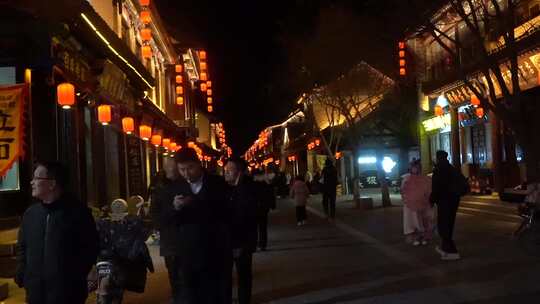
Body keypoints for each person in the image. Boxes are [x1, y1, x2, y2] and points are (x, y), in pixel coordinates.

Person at [15, 161, 99, 304]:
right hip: (35, 292)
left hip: (68, 293)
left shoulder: (78, 213)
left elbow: (90, 249)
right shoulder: (31, 214)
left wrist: (75, 277)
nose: (32, 182)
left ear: (52, 184)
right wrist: (23, 274)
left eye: (37, 178)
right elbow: (23, 247)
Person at [171, 148, 232, 304]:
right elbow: (167, 219)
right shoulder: (175, 187)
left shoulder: (217, 183)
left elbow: (226, 213)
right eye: (182, 169)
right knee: (191, 294)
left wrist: (195, 203)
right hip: (188, 251)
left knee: (217, 293)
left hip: (216, 249)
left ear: (199, 164)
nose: (186, 173)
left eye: (190, 168)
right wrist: (176, 208)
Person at [96, 199, 154, 304]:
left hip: (110, 262)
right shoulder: (133, 223)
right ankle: (103, 293)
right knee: (113, 289)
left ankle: (103, 293)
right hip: (116, 263)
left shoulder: (103, 223)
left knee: (110, 287)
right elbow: (145, 233)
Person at [224, 158, 258, 304]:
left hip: (243, 241)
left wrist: (239, 244)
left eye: (229, 170)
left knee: (243, 275)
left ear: (239, 172)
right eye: (225, 170)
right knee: (225, 276)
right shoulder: (226, 188)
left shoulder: (247, 190)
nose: (225, 173)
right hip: (227, 241)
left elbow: (245, 218)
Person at [430, 150, 468, 261]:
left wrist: (432, 200)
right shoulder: (452, 168)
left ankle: (450, 251)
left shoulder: (438, 170)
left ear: (437, 158)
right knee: (449, 224)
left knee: (443, 226)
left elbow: (436, 188)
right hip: (454, 201)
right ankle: (446, 248)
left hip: (444, 201)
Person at [401, 160, 433, 246]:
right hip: (410, 205)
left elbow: (429, 191)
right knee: (413, 221)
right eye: (413, 167)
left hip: (423, 203)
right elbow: (403, 191)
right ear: (410, 168)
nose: (415, 169)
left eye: (417, 167)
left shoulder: (425, 179)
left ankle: (424, 236)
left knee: (423, 220)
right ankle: (416, 237)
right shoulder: (406, 179)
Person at [252, 170, 276, 251]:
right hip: (263, 208)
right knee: (262, 227)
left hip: (255, 208)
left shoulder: (252, 184)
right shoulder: (266, 184)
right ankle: (262, 244)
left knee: (255, 227)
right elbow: (271, 195)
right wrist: (272, 206)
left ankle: (256, 244)